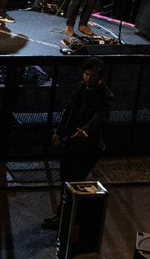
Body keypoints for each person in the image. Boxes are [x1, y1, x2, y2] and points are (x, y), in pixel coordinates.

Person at [43, 57, 113, 229]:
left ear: (100, 77)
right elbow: (68, 110)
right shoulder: (80, 88)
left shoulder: (104, 96)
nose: (88, 78)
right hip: (73, 141)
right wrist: (59, 131)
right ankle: (65, 216)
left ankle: (65, 217)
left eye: (91, 75)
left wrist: (86, 130)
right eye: (86, 74)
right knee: (66, 180)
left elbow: (100, 118)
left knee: (73, 179)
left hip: (88, 146)